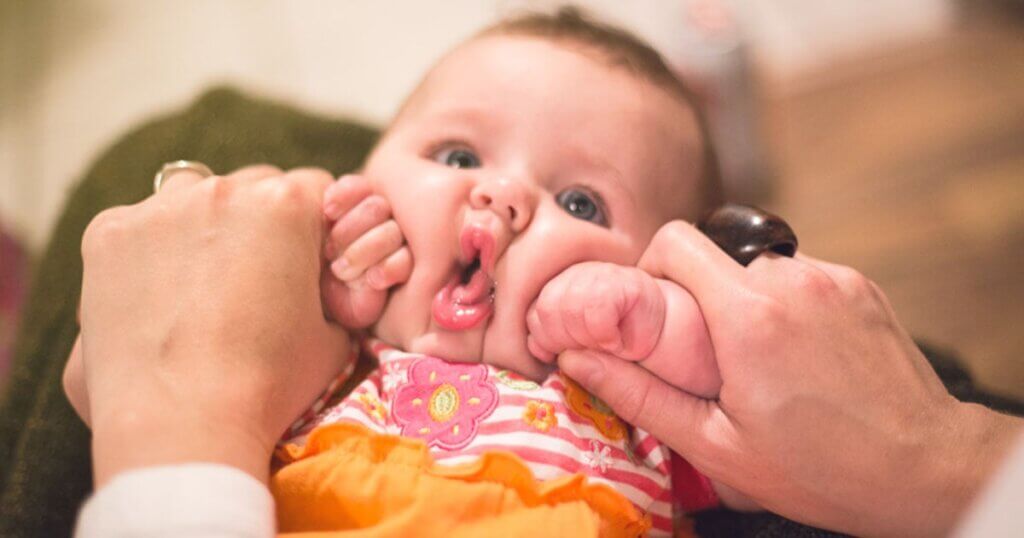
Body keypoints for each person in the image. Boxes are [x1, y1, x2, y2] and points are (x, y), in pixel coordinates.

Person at [64, 8, 1023, 538]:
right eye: (452, 157)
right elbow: (144, 361)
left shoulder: (644, 409)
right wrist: (314, 264)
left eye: (581, 205)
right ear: (364, 176)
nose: (503, 200)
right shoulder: (313, 350)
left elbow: (771, 419)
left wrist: (657, 326)